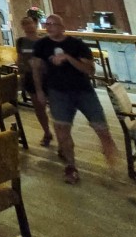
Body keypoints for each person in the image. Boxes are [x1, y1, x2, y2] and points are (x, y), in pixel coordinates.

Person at [31, 14, 116, 184]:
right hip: (58, 93)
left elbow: (89, 70)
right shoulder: (41, 45)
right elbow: (36, 68)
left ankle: (114, 166)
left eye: (53, 24)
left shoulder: (77, 45)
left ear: (62, 27)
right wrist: (39, 90)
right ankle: (71, 166)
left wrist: (68, 58)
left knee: (101, 129)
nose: (49, 27)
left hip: (83, 91)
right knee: (62, 132)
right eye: (47, 24)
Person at [16, 15, 53, 147]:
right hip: (29, 76)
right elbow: (20, 59)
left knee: (53, 106)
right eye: (25, 24)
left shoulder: (44, 41)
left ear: (35, 24)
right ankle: (47, 132)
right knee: (38, 107)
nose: (28, 26)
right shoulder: (21, 42)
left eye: (30, 23)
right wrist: (21, 72)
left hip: (45, 77)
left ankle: (62, 137)